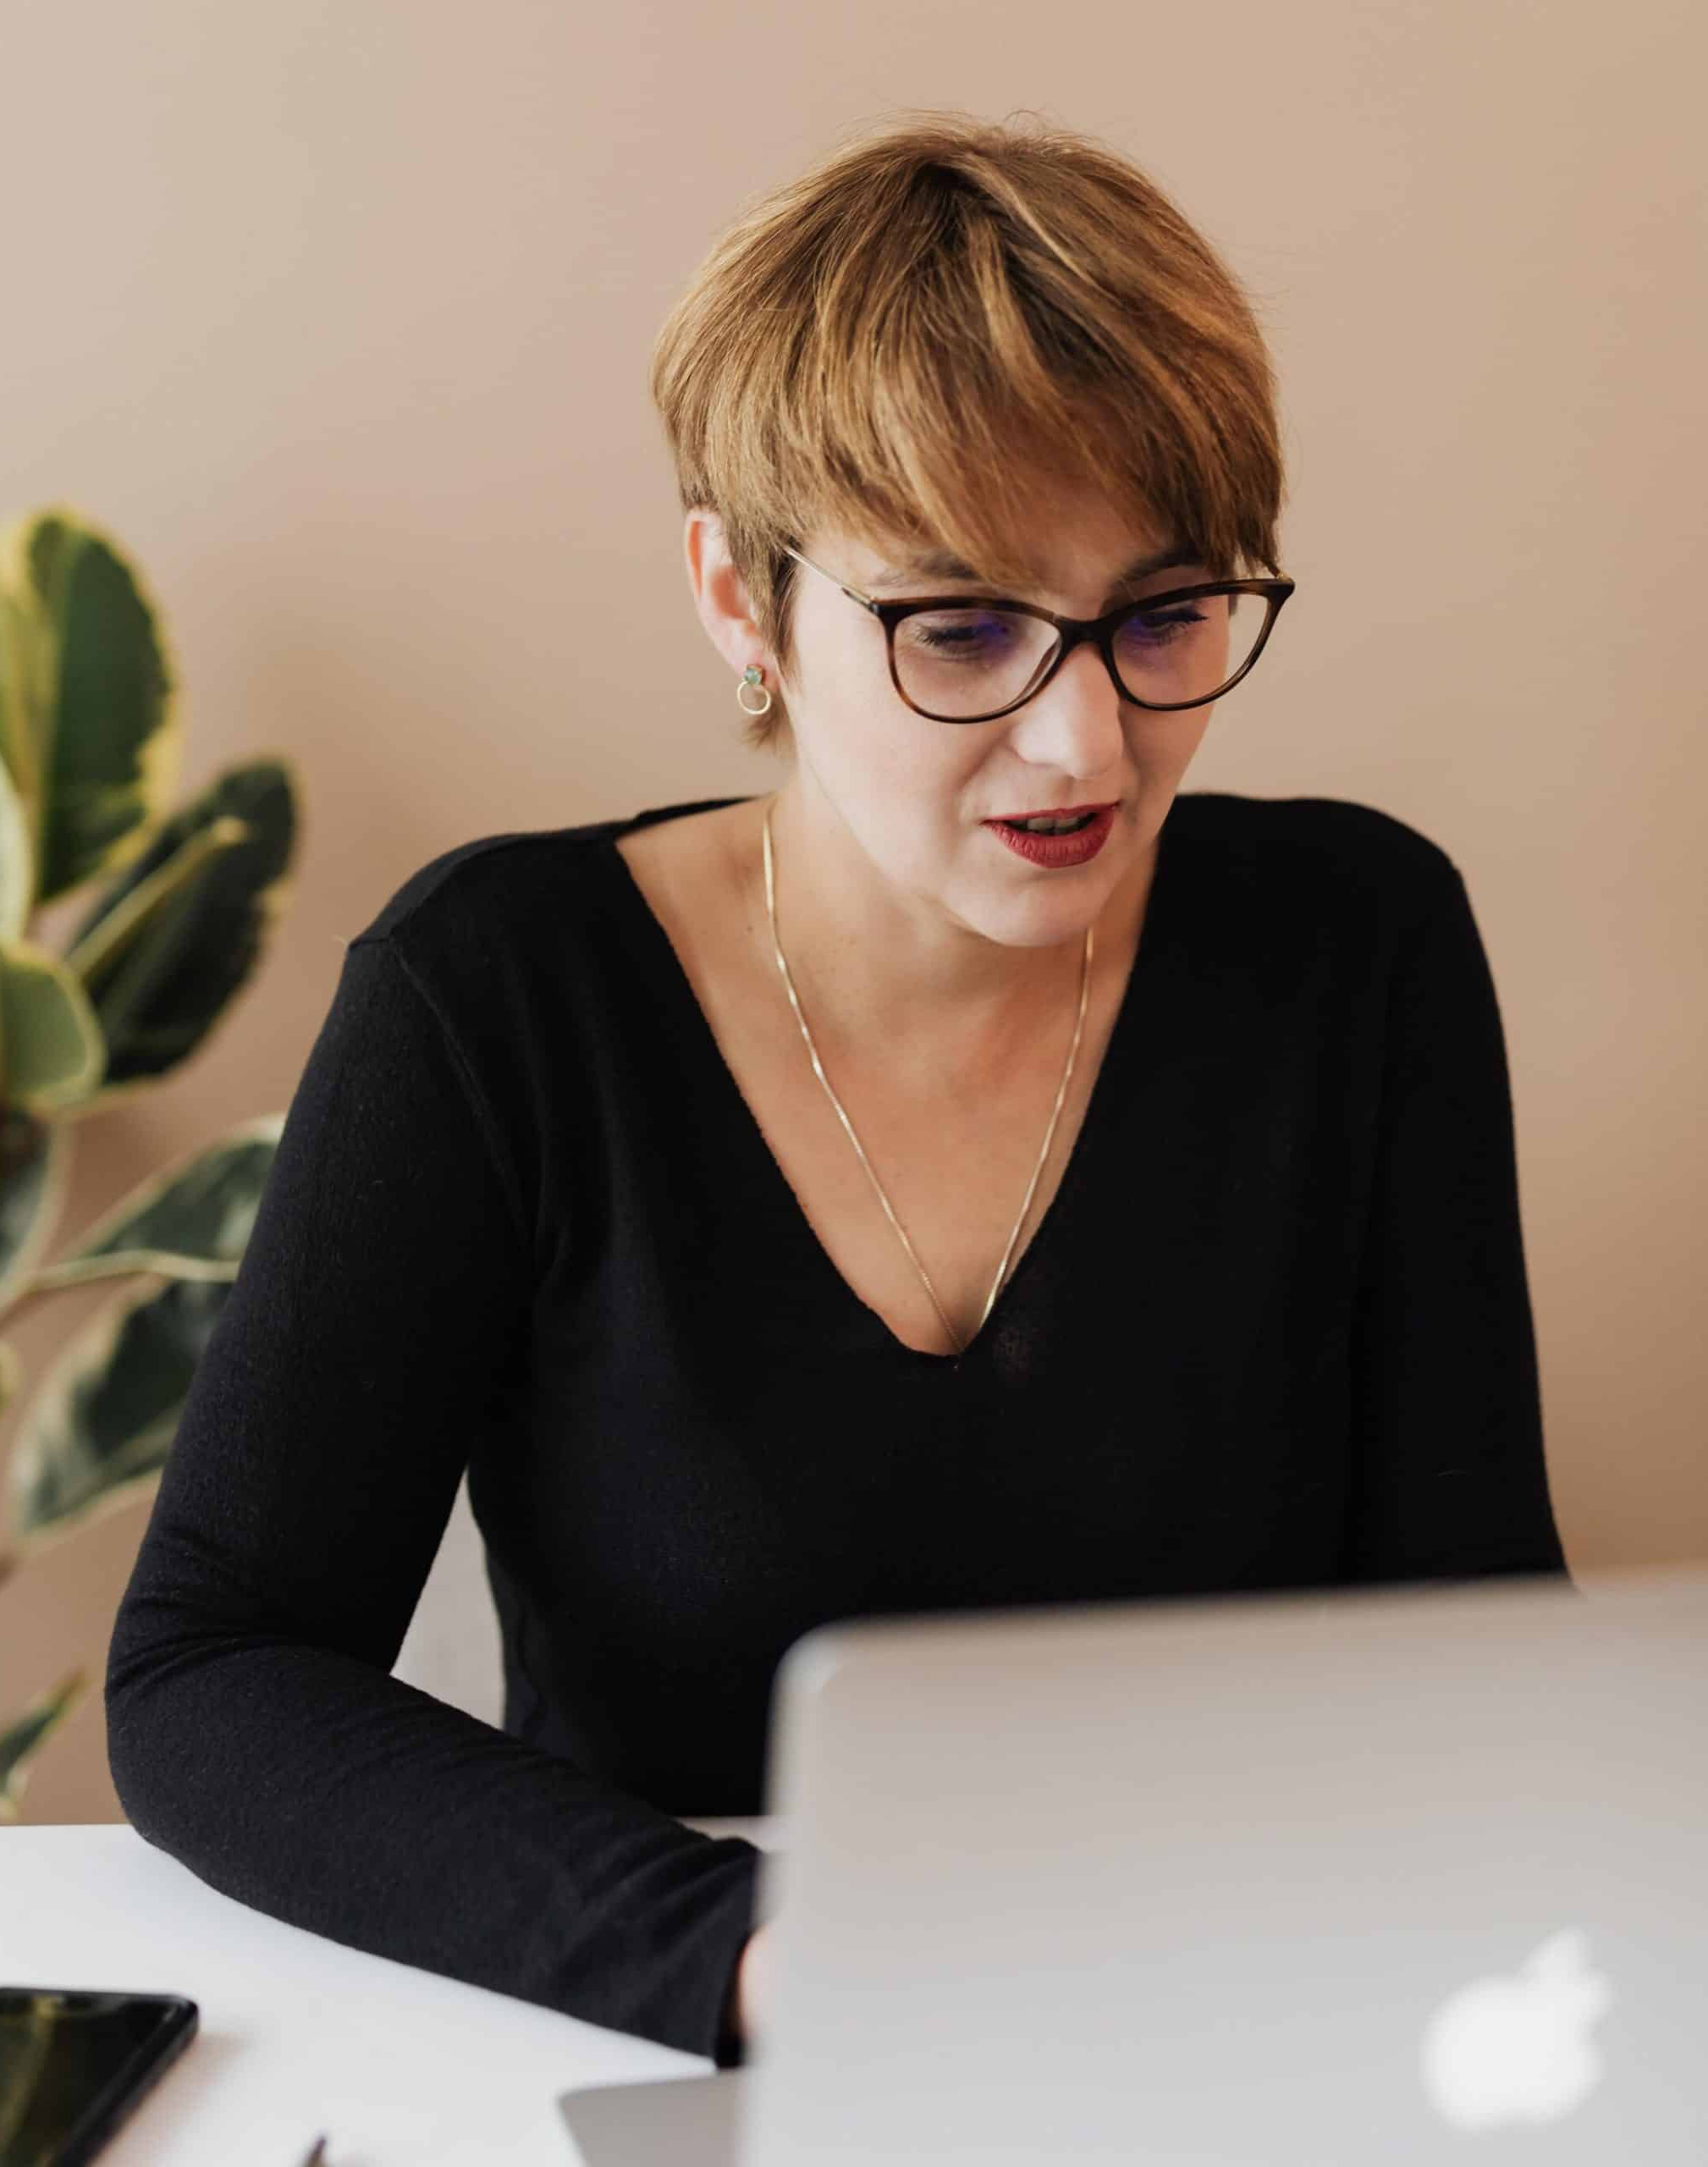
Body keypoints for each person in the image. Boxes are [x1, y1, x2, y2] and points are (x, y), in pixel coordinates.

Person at [104, 108, 1568, 2075]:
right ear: (739, 601)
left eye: (1163, 614)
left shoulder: (1357, 944)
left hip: (1256, 2018)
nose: (1085, 741)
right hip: (716, 2043)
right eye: (958, 625)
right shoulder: (501, 992)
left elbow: (1470, 1637)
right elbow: (215, 1667)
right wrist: (758, 1951)